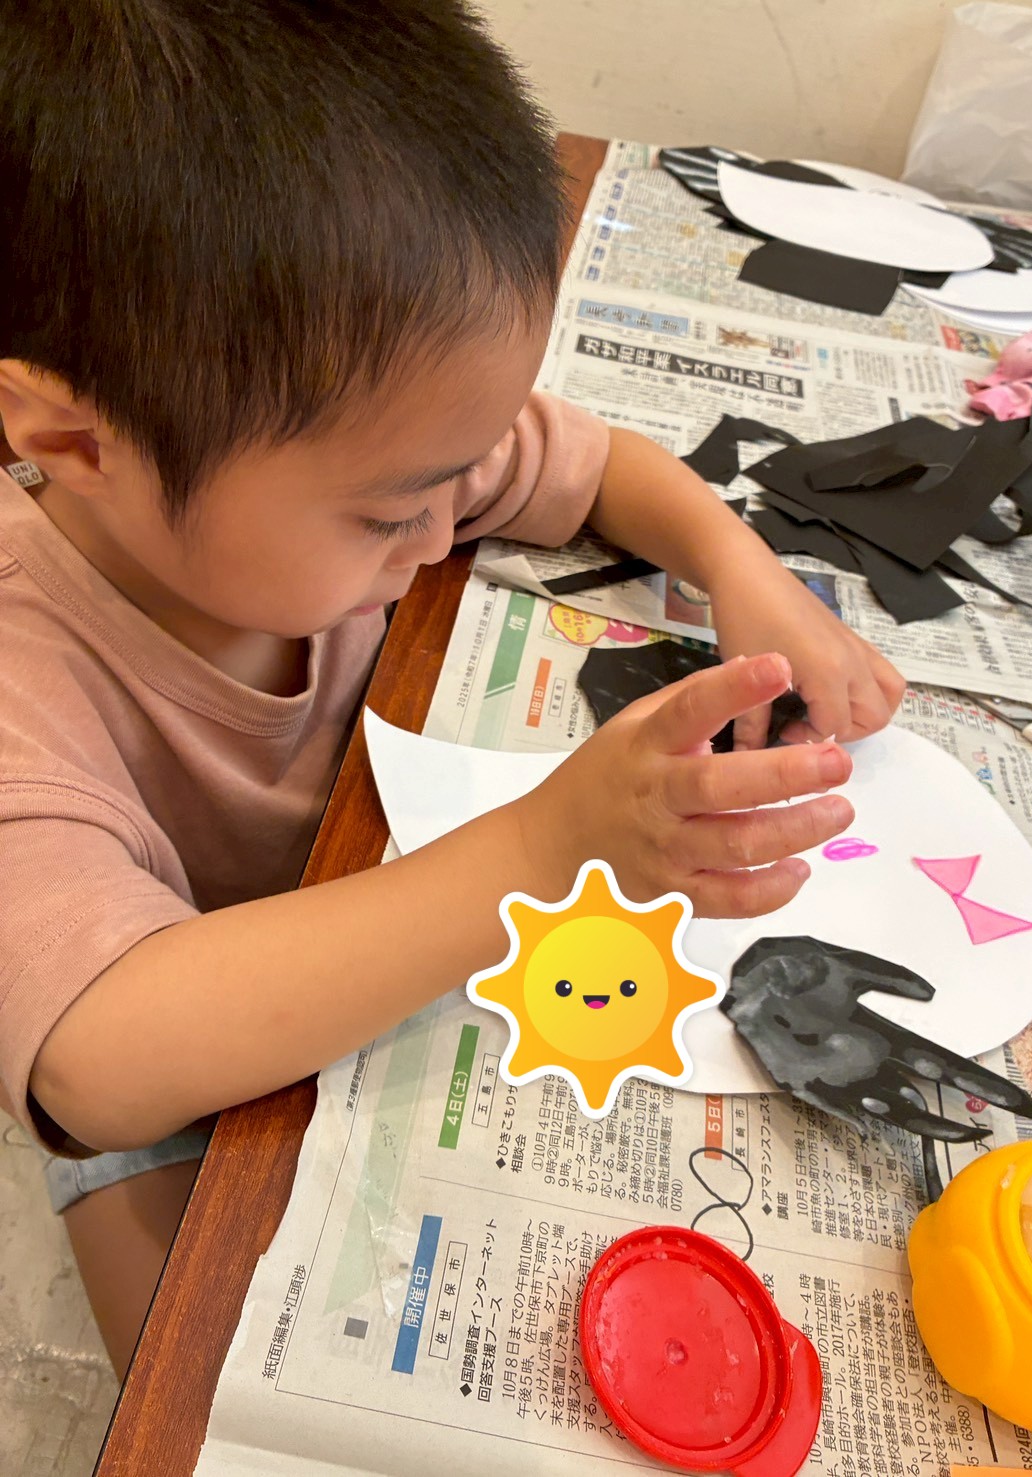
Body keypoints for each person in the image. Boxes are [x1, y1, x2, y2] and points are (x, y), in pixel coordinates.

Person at [0, 0, 904, 1378]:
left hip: (381, 866)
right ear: (76, 442)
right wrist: (549, 845)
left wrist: (742, 564)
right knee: (207, 1365)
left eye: (453, 480)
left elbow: (595, 467)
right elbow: (99, 1061)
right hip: (180, 1002)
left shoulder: (362, 424)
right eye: (388, 516)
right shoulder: (25, 674)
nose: (441, 533)